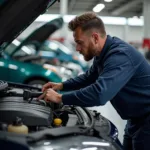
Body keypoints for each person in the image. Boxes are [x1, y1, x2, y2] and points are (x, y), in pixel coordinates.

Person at [38, 12, 150, 150]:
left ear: (95, 38)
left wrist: (60, 98)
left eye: (79, 42)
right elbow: (89, 77)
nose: (77, 48)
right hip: (136, 119)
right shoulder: (102, 54)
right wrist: (61, 85)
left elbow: (100, 94)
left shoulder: (120, 56)